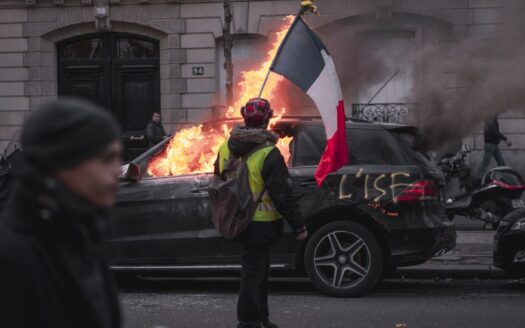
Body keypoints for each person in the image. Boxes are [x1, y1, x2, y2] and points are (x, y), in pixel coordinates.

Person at [0, 98, 122, 328]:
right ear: (63, 164)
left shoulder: (83, 234)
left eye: (118, 158)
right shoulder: (9, 260)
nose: (117, 171)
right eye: (107, 159)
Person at [214, 98, 308, 328]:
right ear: (267, 120)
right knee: (254, 274)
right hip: (261, 223)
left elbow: (218, 176)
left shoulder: (226, 145)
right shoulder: (269, 154)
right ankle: (247, 322)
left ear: (243, 117)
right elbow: (283, 194)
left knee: (258, 271)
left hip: (237, 218)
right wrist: (299, 226)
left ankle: (261, 318)